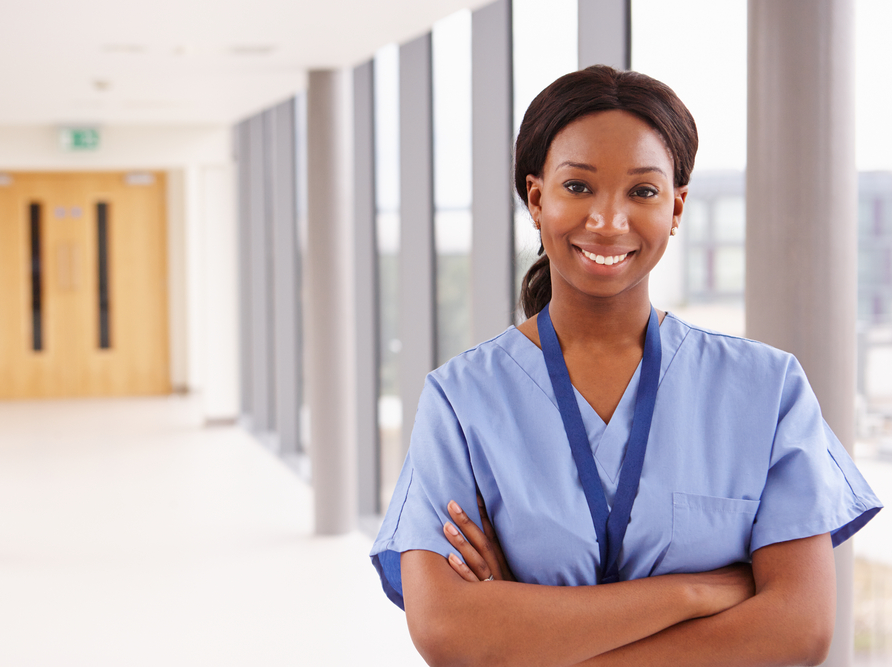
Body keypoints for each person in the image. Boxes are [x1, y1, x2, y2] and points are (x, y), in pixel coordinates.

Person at [369, 65, 882, 667]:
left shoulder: (767, 390)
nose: (608, 221)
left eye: (642, 192)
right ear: (537, 199)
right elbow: (449, 631)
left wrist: (531, 630)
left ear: (677, 207)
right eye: (578, 187)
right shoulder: (461, 401)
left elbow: (800, 629)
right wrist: (695, 591)